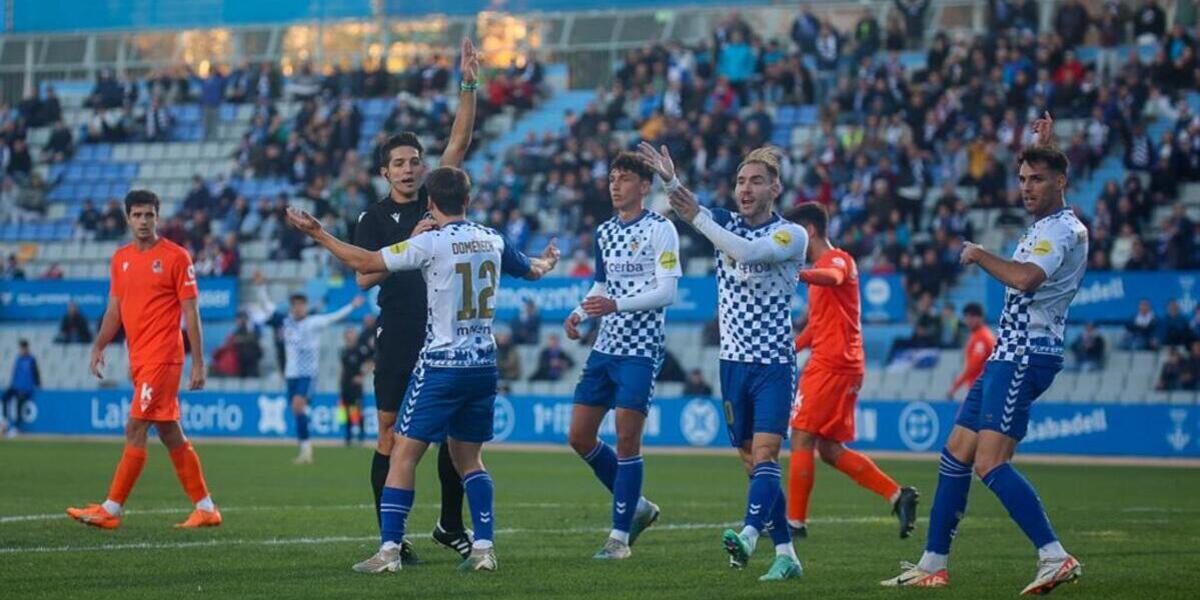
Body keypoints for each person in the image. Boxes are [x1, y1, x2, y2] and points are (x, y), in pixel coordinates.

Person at [284, 165, 558, 573]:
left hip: (441, 365)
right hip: (483, 364)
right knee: (471, 460)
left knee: (403, 455)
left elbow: (365, 261)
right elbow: (533, 270)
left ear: (429, 203)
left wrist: (319, 234)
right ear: (467, 200)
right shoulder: (491, 238)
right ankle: (484, 548)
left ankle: (389, 551)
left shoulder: (431, 242)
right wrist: (550, 261)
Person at [883, 114, 1085, 593]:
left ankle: (1054, 555)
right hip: (1007, 354)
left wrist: (978, 254)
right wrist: (1045, 145)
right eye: (1022, 179)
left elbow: (1025, 279)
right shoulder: (1051, 222)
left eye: (1037, 180)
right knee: (956, 453)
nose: (1026, 188)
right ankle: (933, 562)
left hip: (1025, 355)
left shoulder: (1059, 232)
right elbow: (1052, 185)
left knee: (990, 463)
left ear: (1061, 182)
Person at [640, 142, 806, 581]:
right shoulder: (725, 223)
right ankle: (787, 554)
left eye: (755, 181)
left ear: (775, 187)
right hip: (732, 364)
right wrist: (672, 181)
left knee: (768, 455)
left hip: (772, 363)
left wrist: (698, 215)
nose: (745, 189)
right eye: (739, 182)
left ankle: (750, 535)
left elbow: (747, 252)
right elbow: (688, 209)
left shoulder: (791, 234)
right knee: (754, 462)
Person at [350, 38, 481, 560]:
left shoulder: (438, 198)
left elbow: (462, 139)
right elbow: (362, 280)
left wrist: (468, 82)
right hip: (399, 335)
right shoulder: (372, 219)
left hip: (441, 335)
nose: (408, 169)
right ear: (384, 173)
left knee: (452, 438)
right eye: (398, 164)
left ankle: (449, 526)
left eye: (414, 161)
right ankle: (393, 538)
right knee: (388, 437)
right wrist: (408, 246)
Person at [66, 190, 219, 529]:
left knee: (135, 426)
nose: (143, 221)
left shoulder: (177, 257)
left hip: (163, 358)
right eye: (137, 215)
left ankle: (112, 508)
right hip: (139, 358)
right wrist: (99, 345)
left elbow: (191, 312)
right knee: (169, 432)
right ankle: (206, 507)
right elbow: (114, 309)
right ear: (127, 218)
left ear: (157, 217)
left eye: (149, 215)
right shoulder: (120, 259)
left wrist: (198, 362)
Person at [562, 152, 681, 560]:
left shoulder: (661, 230)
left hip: (640, 349)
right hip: (605, 348)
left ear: (645, 186)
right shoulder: (605, 232)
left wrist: (616, 305)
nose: (615, 185)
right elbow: (601, 284)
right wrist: (580, 312)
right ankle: (640, 507)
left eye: (625, 178)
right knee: (579, 436)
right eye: (612, 178)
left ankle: (619, 537)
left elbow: (666, 292)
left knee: (627, 440)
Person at [786, 202, 919, 540]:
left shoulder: (836, 260)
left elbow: (833, 278)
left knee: (801, 434)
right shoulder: (822, 268)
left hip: (832, 363)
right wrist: (790, 348)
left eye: (794, 234)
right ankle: (897, 495)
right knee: (829, 449)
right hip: (840, 362)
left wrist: (797, 275)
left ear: (810, 231)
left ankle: (794, 524)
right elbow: (817, 326)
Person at [250, 279, 362, 464]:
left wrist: (352, 306)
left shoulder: (313, 323)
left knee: (297, 404)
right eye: (295, 305)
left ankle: (306, 449)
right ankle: (305, 448)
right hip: (291, 374)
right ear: (292, 307)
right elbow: (267, 307)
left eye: (301, 305)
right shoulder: (285, 322)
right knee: (296, 410)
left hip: (308, 374)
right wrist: (261, 287)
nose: (298, 308)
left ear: (306, 306)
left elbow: (333, 317)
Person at [946, 303, 996, 398]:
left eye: (971, 317)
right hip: (981, 388)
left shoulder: (982, 337)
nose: (968, 321)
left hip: (981, 389)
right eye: (966, 317)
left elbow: (973, 366)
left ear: (980, 318)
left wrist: (955, 387)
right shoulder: (978, 335)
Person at [338, 328, 369, 446]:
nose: (349, 336)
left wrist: (362, 376)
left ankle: (361, 436)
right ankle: (348, 437)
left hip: (356, 385)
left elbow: (370, 361)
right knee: (345, 411)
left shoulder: (360, 350)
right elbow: (342, 368)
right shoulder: (343, 351)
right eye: (347, 334)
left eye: (351, 334)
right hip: (345, 385)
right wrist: (340, 383)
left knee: (357, 409)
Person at [2, 340, 39, 438]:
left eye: (23, 348)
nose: (21, 350)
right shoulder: (18, 359)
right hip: (15, 386)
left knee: (19, 403)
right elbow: (15, 373)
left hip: (26, 388)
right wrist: (12, 384)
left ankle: (15, 428)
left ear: (26, 348)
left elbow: (35, 373)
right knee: (5, 397)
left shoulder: (31, 360)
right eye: (21, 348)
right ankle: (5, 421)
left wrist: (37, 384)